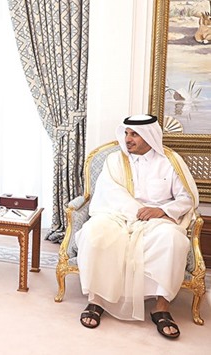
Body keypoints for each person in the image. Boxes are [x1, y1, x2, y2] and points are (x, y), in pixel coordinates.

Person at [75, 114, 198, 339]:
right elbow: (108, 193)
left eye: (134, 134)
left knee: (173, 240)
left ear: (150, 136)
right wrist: (135, 212)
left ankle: (161, 307)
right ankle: (97, 300)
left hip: (157, 221)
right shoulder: (114, 160)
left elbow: (187, 198)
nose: (128, 139)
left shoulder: (171, 162)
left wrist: (162, 210)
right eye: (126, 133)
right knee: (94, 234)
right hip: (116, 216)